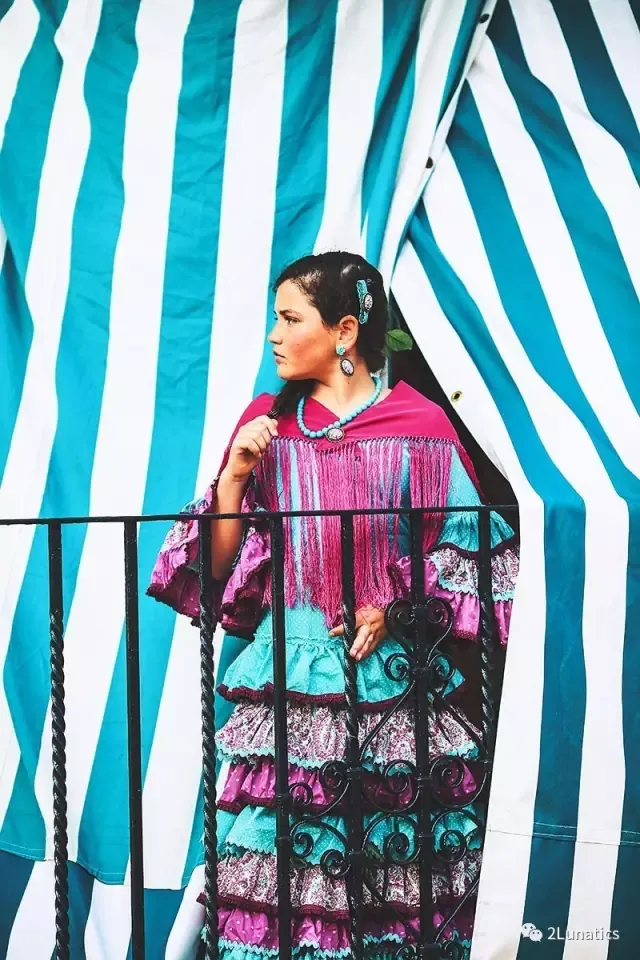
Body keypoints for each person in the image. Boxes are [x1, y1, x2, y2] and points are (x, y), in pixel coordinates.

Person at [148, 252, 519, 960]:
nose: (274, 335)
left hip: (393, 690)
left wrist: (397, 601)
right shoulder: (266, 422)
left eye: (291, 319)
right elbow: (217, 570)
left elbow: (470, 550)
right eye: (275, 318)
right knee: (280, 869)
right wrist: (235, 479)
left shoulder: (422, 425)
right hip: (286, 682)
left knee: (390, 867)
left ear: (344, 331)